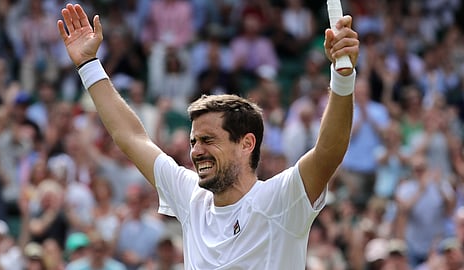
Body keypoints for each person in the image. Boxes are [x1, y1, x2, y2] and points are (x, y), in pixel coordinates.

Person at [57, 3, 359, 269]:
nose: (196, 150)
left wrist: (342, 77)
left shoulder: (280, 199)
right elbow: (131, 137)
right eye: (193, 142)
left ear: (246, 144)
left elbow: (328, 151)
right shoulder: (192, 198)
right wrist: (88, 65)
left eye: (208, 140)